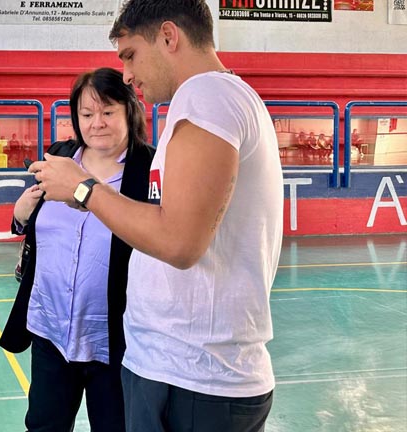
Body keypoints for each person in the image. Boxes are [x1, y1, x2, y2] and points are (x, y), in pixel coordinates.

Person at [29, 1, 283, 431]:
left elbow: (179, 243)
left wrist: (83, 188)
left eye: (130, 55)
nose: (127, 74)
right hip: (177, 368)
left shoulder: (208, 99)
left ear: (168, 37)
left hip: (195, 378)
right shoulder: (210, 101)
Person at [0, 67, 155, 432]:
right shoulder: (59, 157)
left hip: (114, 339)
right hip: (51, 329)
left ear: (130, 111)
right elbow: (38, 227)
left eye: (107, 112)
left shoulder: (147, 168)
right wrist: (19, 218)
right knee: (43, 425)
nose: (96, 123)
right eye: (86, 114)